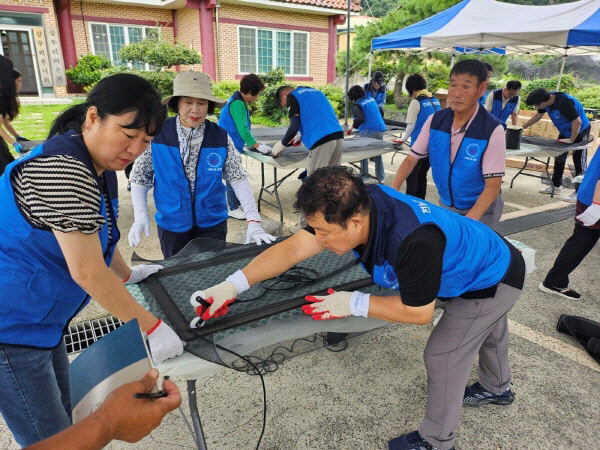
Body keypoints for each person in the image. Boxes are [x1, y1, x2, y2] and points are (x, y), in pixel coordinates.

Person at [190, 166, 525, 450]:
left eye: (323, 232)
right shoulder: (361, 202)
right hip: (480, 254)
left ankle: (436, 440)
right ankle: (498, 387)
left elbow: (419, 313)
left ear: (353, 222)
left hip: (491, 277)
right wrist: (231, 285)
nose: (317, 240)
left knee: (444, 354)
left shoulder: (413, 241)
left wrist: (354, 302)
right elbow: (291, 251)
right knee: (487, 327)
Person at [0, 73, 185, 447]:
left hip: (40, 321)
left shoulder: (94, 161)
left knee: (69, 417)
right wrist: (152, 327)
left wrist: (126, 274)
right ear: (92, 117)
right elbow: (85, 271)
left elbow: (97, 237)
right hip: (9, 326)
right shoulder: (64, 170)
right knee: (50, 439)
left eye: (145, 141)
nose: (134, 150)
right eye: (128, 134)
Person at [128, 71, 275, 259]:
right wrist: (140, 215)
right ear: (177, 103)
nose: (195, 110)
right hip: (172, 225)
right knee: (177, 275)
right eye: (188, 102)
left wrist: (253, 220)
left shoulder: (220, 136)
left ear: (209, 106)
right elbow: (140, 178)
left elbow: (237, 178)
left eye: (202, 103)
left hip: (212, 224)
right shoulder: (158, 134)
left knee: (211, 273)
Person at [392, 59, 506, 229]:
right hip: (446, 204)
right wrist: (392, 191)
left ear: (481, 89)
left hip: (480, 209)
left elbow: (493, 186)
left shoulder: (492, 129)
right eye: (453, 85)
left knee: (472, 251)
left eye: (466, 87)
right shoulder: (435, 121)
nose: (456, 93)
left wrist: (469, 222)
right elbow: (411, 160)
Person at [26, 369, 181, 449]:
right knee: (49, 430)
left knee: (70, 406)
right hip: (11, 337)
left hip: (47, 327)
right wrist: (110, 422)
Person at [539, 145, 600, 300]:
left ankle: (555, 281)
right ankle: (554, 281)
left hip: (592, 194)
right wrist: (597, 205)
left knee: (581, 240)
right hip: (595, 198)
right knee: (581, 241)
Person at [218, 73, 271, 220]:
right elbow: (242, 129)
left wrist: (254, 143)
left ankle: (234, 204)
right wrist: (256, 145)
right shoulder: (238, 104)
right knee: (232, 175)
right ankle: (232, 208)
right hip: (228, 144)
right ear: (250, 91)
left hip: (229, 143)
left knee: (234, 174)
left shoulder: (236, 100)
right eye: (257, 94)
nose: (257, 97)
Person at [523, 88, 591, 202]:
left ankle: (580, 193)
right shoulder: (546, 100)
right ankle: (556, 186)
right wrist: (521, 128)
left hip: (580, 132)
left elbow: (577, 122)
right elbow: (537, 116)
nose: (536, 108)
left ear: (543, 103)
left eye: (536, 105)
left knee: (579, 161)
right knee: (559, 157)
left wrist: (571, 139)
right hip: (565, 131)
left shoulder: (564, 103)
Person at [271, 85, 343, 176]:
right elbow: (318, 117)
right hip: (338, 135)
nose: (287, 107)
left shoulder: (292, 95)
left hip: (321, 140)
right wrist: (301, 136)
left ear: (285, 94)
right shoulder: (316, 92)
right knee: (333, 178)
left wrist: (281, 144)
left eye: (285, 105)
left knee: (315, 181)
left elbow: (294, 127)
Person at [393, 74, 441, 199]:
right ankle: (421, 202)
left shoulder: (416, 102)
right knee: (422, 175)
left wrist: (402, 139)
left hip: (419, 146)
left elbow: (410, 126)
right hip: (433, 145)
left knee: (412, 175)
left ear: (412, 89)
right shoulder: (435, 100)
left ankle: (411, 203)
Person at [347, 84, 387, 184]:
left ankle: (364, 177)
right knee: (377, 154)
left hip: (368, 130)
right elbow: (380, 111)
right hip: (380, 128)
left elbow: (360, 119)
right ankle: (381, 177)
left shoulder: (357, 104)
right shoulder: (371, 99)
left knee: (363, 153)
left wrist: (352, 127)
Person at [0, 57, 29, 175]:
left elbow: (4, 121)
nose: (21, 85)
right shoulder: (1, 98)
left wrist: (17, 136)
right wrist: (14, 143)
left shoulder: (4, 98)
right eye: (19, 81)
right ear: (11, 83)